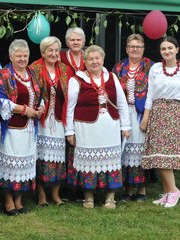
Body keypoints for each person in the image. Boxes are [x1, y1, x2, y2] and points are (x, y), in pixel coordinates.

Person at [65, 45, 131, 209]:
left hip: (110, 126)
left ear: (103, 59)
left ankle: (110, 197)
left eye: (97, 58)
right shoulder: (76, 79)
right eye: (90, 59)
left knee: (111, 161)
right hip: (86, 128)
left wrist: (126, 126)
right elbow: (69, 107)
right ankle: (89, 197)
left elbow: (121, 103)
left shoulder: (111, 77)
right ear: (85, 61)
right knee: (88, 161)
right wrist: (69, 132)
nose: (94, 62)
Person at [140, 36, 180, 208]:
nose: (167, 51)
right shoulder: (155, 68)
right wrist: (146, 117)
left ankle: (173, 192)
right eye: (163, 49)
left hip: (175, 113)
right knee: (157, 155)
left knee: (167, 156)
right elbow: (150, 95)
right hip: (157, 113)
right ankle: (169, 192)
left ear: (177, 50)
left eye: (170, 48)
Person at [0, 39, 44, 215]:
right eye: (18, 55)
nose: (22, 58)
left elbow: (40, 94)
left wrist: (41, 107)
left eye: (25, 55)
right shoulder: (4, 75)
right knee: (11, 165)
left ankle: (19, 201)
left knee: (24, 165)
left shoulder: (33, 74)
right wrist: (23, 110)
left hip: (30, 128)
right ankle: (8, 202)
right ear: (10, 56)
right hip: (12, 128)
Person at [30, 36, 72, 206]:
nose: (54, 54)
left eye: (56, 50)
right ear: (43, 52)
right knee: (41, 157)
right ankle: (41, 195)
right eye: (50, 50)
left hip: (59, 119)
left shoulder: (65, 69)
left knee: (58, 158)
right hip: (42, 120)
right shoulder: (34, 68)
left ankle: (55, 194)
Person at [112, 34, 154, 202]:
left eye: (138, 46)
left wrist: (146, 117)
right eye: (131, 46)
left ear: (143, 49)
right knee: (125, 150)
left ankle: (142, 190)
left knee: (141, 151)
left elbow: (153, 93)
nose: (134, 49)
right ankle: (128, 190)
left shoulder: (151, 66)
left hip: (142, 113)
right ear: (127, 48)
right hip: (124, 113)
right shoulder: (119, 67)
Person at [60, 27, 87, 199]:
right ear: (67, 42)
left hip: (85, 111)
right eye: (72, 40)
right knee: (67, 149)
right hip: (65, 108)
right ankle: (66, 188)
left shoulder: (90, 57)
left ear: (84, 42)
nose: (76, 42)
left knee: (83, 147)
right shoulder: (61, 58)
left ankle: (83, 186)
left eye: (78, 40)